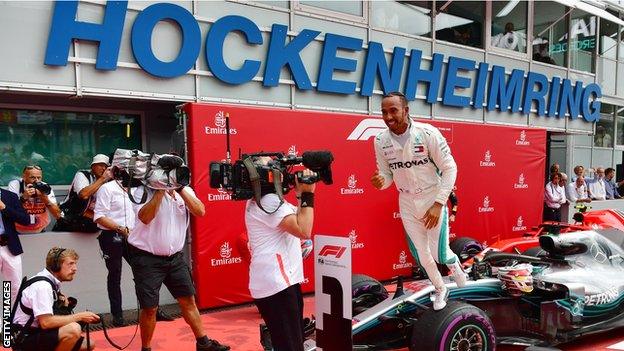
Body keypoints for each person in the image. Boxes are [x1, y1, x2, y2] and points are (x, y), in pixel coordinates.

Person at [371, 91, 466, 311]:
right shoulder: (380, 140)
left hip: (432, 198)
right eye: (384, 112)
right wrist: (381, 181)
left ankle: (457, 269)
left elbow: (450, 168)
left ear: (406, 110)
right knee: (421, 255)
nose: (388, 116)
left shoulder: (427, 133)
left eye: (393, 110)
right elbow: (386, 176)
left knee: (440, 253)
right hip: (406, 200)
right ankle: (440, 288)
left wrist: (438, 203)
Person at [127, 185, 229, 351]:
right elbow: (145, 218)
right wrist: (160, 191)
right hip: (147, 259)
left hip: (175, 258)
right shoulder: (143, 191)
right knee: (150, 308)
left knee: (188, 300)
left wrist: (180, 189)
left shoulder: (185, 191)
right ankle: (146, 348)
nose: (171, 178)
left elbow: (200, 211)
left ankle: (203, 343)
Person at [245, 159, 316, 351]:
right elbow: (303, 229)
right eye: (274, 167)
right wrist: (308, 194)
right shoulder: (268, 201)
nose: (281, 171)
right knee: (290, 346)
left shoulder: (266, 199)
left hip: (281, 282)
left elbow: (299, 216)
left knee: (290, 342)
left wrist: (301, 193)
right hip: (278, 285)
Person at [11, 247, 100, 351]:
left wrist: (65, 307)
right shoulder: (43, 286)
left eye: (75, 264)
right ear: (56, 266)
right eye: (70, 264)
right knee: (73, 329)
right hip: (24, 340)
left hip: (36, 333)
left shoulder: (51, 283)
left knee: (88, 344)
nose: (75, 268)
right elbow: (46, 323)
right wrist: (79, 317)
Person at [93, 173, 136, 327]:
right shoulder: (107, 188)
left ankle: (151, 310)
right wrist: (120, 228)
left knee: (145, 272)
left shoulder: (138, 188)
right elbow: (99, 216)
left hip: (134, 235)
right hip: (112, 235)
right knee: (115, 274)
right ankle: (117, 315)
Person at [54, 154, 113, 232]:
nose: (103, 168)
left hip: (90, 220)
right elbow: (84, 194)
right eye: (101, 165)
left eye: (106, 167)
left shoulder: (108, 181)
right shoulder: (82, 175)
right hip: (71, 217)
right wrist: (102, 179)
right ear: (92, 166)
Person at [8, 165, 62, 233]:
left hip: (40, 229)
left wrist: (45, 199)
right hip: (17, 230)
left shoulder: (45, 187)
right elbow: (9, 209)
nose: (36, 181)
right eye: (32, 177)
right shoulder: (16, 185)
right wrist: (23, 198)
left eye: (39, 177)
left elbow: (57, 214)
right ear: (24, 177)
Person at [0, 188, 30, 303]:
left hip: (9, 246)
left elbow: (25, 220)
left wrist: (4, 208)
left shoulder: (10, 196)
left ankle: (9, 319)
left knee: (14, 287)